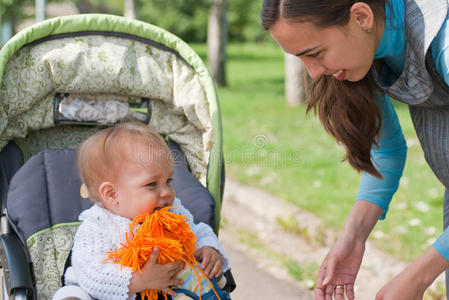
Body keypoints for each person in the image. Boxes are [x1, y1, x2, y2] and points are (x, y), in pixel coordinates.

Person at [261, 0, 449, 299]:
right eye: (302, 59)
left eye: (316, 53)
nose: (313, 74)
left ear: (361, 16)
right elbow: (385, 152)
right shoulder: (368, 49)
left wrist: (417, 278)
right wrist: (353, 237)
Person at [53, 122, 230, 300]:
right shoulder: (97, 226)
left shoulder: (172, 211)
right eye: (152, 184)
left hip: (165, 291)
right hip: (105, 292)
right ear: (112, 194)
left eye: (169, 181)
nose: (167, 192)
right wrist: (139, 281)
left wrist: (209, 247)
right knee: (71, 295)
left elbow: (195, 231)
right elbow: (91, 274)